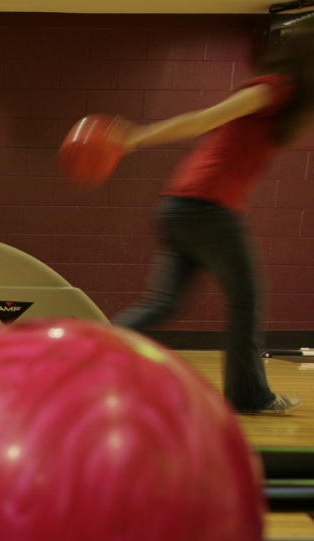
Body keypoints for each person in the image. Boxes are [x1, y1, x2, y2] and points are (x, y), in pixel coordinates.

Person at [110, 23, 314, 416]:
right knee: (247, 299)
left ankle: (85, 354)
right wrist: (138, 136)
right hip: (208, 207)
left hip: (181, 206)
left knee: (163, 302)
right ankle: (249, 396)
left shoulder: (288, 104)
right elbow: (206, 119)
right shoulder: (273, 89)